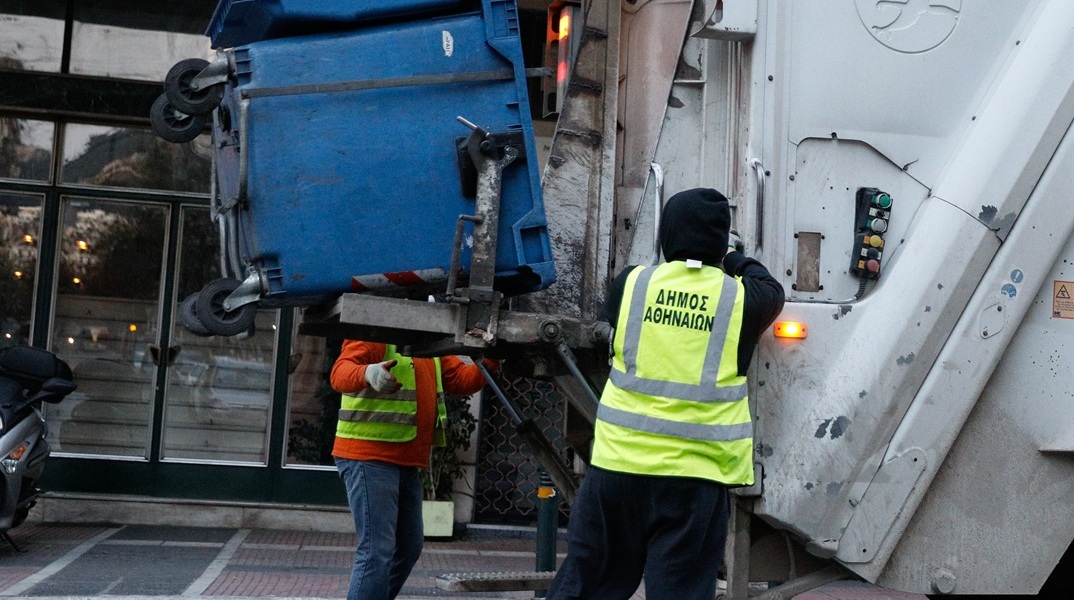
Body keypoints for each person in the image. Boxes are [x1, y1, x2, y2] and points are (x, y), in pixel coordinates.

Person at [546, 188, 785, 600]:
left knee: (586, 585)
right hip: (694, 479)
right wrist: (731, 258)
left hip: (617, 469)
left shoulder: (632, 284)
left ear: (666, 234)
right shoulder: (741, 299)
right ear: (720, 240)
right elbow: (771, 286)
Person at [330, 340, 495, 600]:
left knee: (408, 547)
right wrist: (368, 373)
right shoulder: (377, 327)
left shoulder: (429, 339)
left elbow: (461, 379)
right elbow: (340, 373)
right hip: (369, 455)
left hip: (405, 459)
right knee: (376, 551)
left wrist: (493, 360)